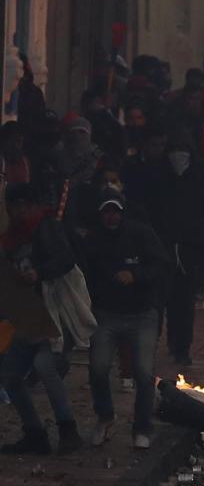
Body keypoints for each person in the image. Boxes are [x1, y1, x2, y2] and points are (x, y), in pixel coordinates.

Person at [0, 183, 83, 455]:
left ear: (27, 204)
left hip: (52, 310)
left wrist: (40, 273)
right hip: (27, 313)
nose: (14, 212)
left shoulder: (46, 227)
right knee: (10, 374)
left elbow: (66, 258)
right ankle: (34, 432)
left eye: (17, 206)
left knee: (45, 365)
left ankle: (67, 429)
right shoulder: (12, 237)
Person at [84, 187, 168, 449]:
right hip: (106, 316)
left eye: (115, 211)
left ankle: (142, 427)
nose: (111, 217)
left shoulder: (141, 234)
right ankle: (105, 417)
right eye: (107, 212)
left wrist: (136, 275)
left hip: (142, 315)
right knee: (97, 368)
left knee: (143, 374)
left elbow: (161, 265)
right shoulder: (94, 240)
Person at [161, 131, 204, 365]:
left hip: (191, 249)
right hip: (164, 247)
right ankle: (171, 341)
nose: (178, 156)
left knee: (185, 301)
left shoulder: (202, 175)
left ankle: (182, 347)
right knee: (166, 300)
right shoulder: (163, 174)